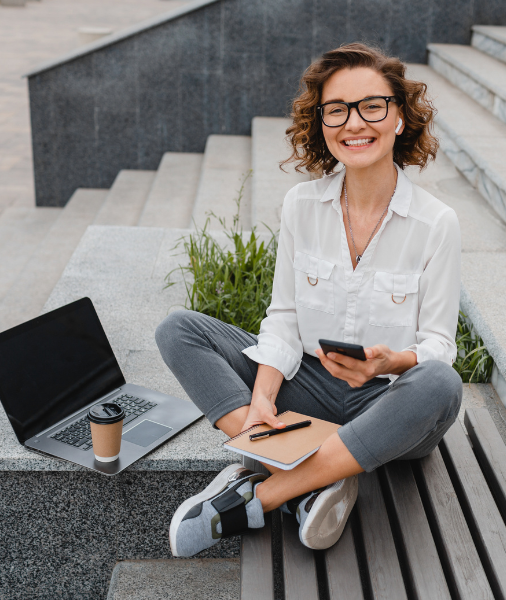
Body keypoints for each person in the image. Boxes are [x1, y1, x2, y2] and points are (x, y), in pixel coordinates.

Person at [155, 42, 463, 558]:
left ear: (399, 119)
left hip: (387, 406)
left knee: (440, 382)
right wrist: (262, 399)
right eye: (336, 109)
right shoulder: (302, 205)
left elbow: (439, 345)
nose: (354, 123)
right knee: (178, 329)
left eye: (372, 106)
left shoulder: (437, 223)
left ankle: (262, 494)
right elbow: (285, 316)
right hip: (310, 389)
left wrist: (393, 361)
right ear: (321, 123)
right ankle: (313, 472)